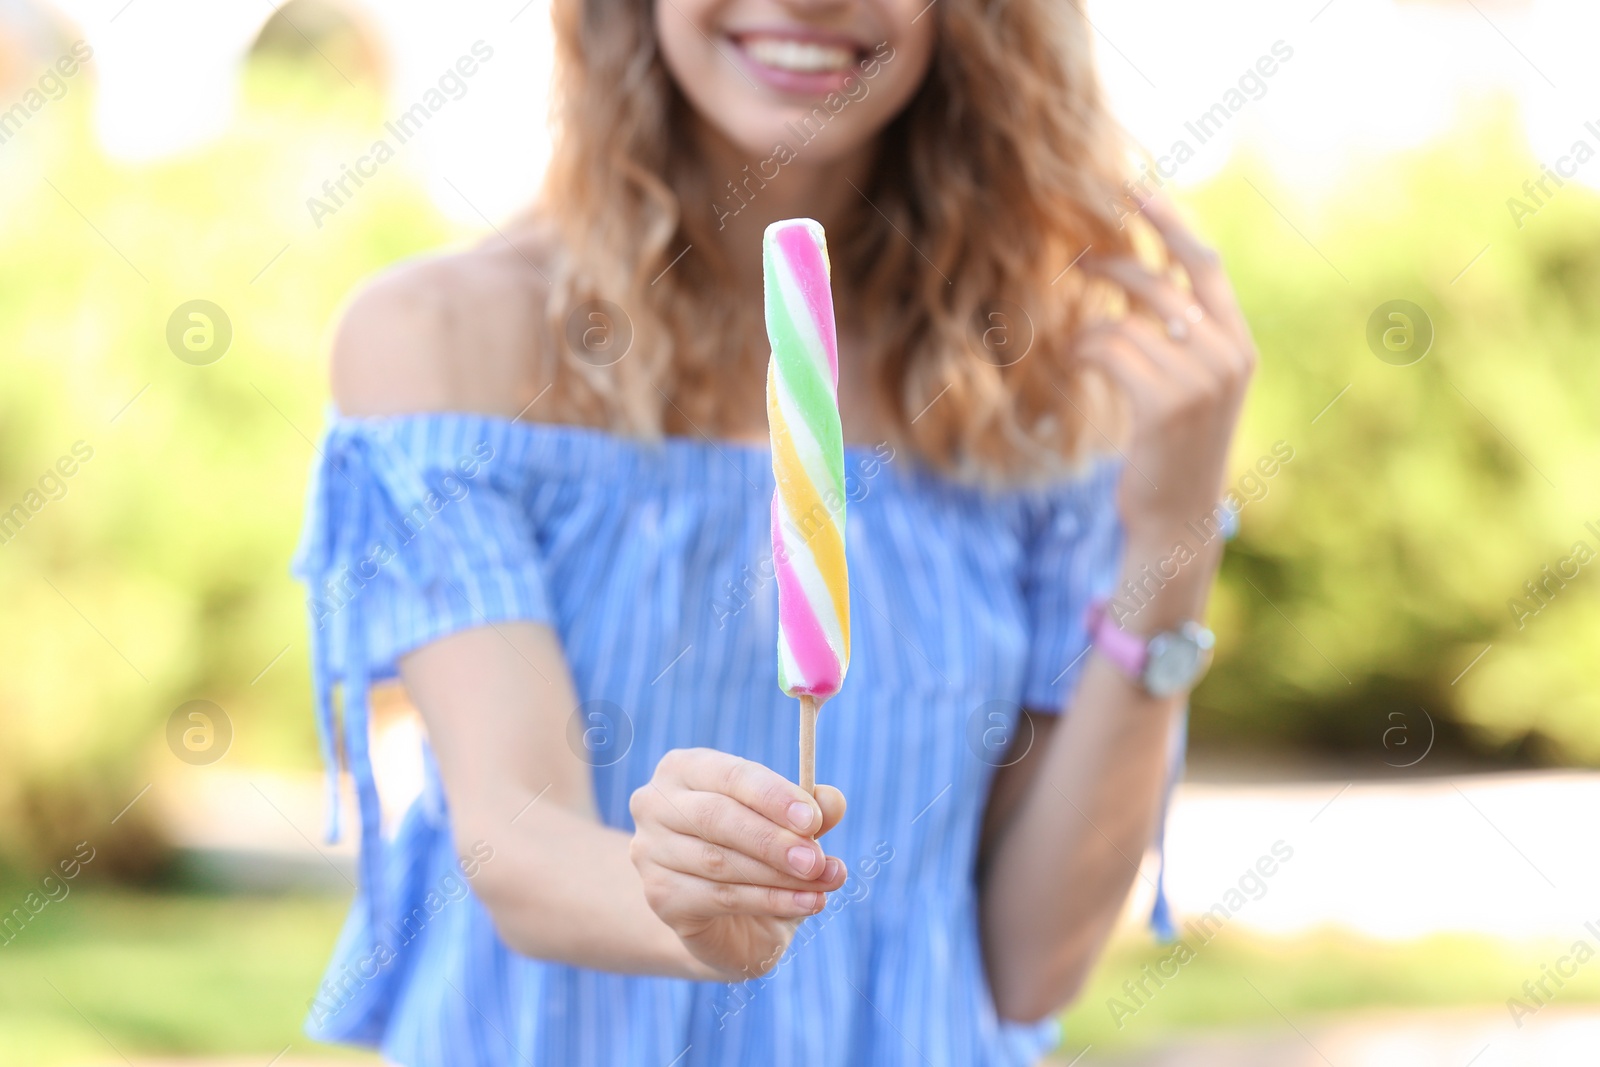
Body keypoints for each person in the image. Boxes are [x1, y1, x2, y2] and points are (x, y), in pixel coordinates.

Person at [292, 0, 1257, 1063]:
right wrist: (688, 903)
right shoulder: (443, 341)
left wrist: (1173, 533)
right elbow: (515, 837)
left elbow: (1033, 962)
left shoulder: (1047, 380)